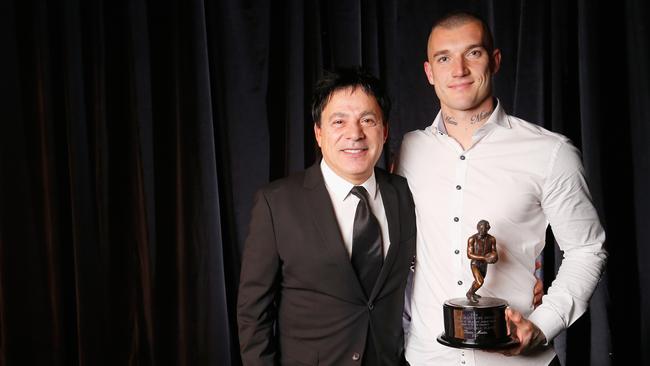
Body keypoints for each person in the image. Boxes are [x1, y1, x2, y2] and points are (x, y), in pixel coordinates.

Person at [396, 11, 607, 365]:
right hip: (426, 358)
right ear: (430, 72)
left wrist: (541, 324)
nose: (458, 69)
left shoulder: (551, 153)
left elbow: (587, 249)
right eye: (444, 58)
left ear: (494, 61)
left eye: (473, 53)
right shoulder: (407, 151)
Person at [237, 68, 416, 365]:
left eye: (367, 120)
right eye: (339, 121)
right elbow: (253, 311)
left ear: (384, 131)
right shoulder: (277, 203)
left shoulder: (403, 193)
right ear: (319, 133)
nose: (355, 134)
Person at [466, 220, 497, 303]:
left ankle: (471, 292)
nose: (482, 231)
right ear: (477, 228)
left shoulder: (492, 239)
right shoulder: (472, 239)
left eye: (485, 229)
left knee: (478, 280)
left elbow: (494, 251)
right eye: (480, 229)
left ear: (488, 229)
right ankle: (470, 294)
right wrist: (484, 257)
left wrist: (494, 258)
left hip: (484, 264)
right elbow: (469, 255)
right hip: (475, 264)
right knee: (480, 281)